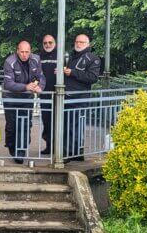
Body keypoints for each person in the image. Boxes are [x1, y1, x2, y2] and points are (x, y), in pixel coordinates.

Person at [1, 40, 45, 163]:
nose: (25, 54)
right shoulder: (10, 61)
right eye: (22, 52)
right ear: (17, 51)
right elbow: (8, 84)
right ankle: (11, 145)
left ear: (30, 51)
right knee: (12, 126)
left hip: (27, 99)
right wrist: (26, 87)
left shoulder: (36, 59)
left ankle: (20, 151)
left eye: (27, 52)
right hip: (10, 98)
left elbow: (40, 76)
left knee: (25, 124)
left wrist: (40, 87)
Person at [62, 34, 101, 162]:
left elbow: (92, 77)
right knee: (69, 125)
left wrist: (72, 73)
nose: (78, 44)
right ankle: (77, 152)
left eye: (82, 42)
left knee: (74, 126)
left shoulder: (93, 59)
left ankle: (70, 153)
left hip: (80, 97)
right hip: (68, 96)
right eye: (77, 41)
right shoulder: (71, 56)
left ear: (88, 44)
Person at [37, 34, 58, 154]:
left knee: (59, 121)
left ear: (55, 43)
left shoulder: (62, 56)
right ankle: (49, 146)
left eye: (50, 42)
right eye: (45, 43)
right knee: (47, 120)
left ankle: (59, 147)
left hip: (58, 94)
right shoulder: (39, 56)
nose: (48, 45)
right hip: (44, 95)